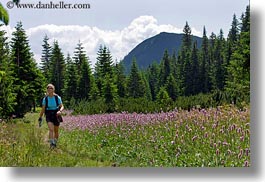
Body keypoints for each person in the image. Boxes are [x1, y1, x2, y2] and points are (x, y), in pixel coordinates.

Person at [38, 84, 64, 148]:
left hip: (56, 113)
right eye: (48, 88)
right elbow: (43, 109)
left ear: (53, 89)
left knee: (56, 130)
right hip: (49, 114)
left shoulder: (57, 97)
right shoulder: (45, 99)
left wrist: (60, 111)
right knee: (51, 129)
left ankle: (55, 142)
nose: (49, 89)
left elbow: (62, 106)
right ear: (47, 90)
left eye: (51, 88)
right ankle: (51, 143)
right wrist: (40, 117)